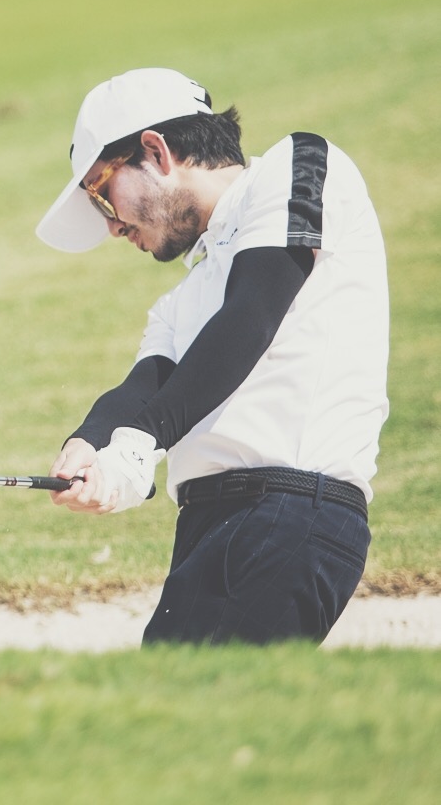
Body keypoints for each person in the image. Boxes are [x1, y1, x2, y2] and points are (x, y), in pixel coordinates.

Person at [35, 67, 388, 645]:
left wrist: (137, 447)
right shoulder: (183, 298)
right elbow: (147, 385)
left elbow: (252, 315)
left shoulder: (299, 164)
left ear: (156, 151)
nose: (112, 228)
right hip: (210, 526)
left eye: (101, 195)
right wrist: (89, 445)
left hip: (290, 509)